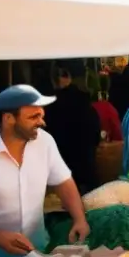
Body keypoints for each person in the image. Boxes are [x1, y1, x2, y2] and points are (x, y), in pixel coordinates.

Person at [0, 85, 89, 257]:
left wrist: (79, 218)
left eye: (41, 115)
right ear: (8, 119)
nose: (42, 122)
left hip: (38, 252)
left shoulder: (45, 141)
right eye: (33, 117)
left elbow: (63, 181)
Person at [43, 63, 102, 194]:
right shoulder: (87, 106)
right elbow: (96, 137)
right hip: (87, 172)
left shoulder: (49, 109)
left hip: (60, 176)